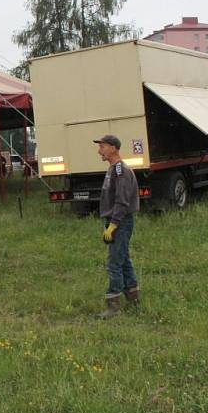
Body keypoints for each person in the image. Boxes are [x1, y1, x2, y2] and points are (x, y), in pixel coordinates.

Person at [93, 134, 140, 319]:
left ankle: (113, 306)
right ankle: (134, 298)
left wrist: (113, 225)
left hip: (120, 222)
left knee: (114, 263)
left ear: (113, 148)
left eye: (102, 147)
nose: (99, 151)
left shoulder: (120, 170)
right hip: (116, 221)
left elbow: (122, 200)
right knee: (123, 259)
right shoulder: (113, 169)